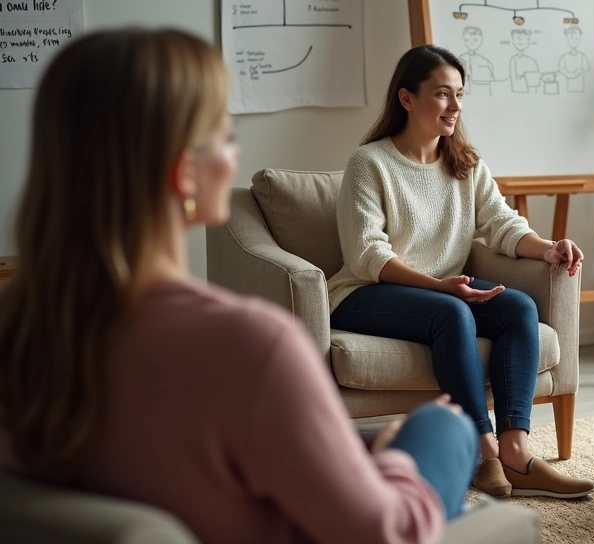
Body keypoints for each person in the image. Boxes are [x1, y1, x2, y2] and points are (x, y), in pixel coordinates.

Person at [0, 28, 477, 544]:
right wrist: (400, 461)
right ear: (185, 174)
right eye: (226, 137)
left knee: (366, 441)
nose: (233, 157)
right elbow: (386, 533)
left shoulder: (19, 325)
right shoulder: (252, 345)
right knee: (444, 429)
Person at [327, 44, 594, 500]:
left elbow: (504, 226)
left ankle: (517, 454)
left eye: (460, 94)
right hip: (365, 292)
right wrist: (439, 287)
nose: (456, 106)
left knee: (518, 308)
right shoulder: (368, 163)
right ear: (407, 98)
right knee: (451, 313)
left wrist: (550, 248)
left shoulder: (465, 165)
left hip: (442, 292)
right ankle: (483, 453)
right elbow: (367, 254)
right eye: (442, 94)